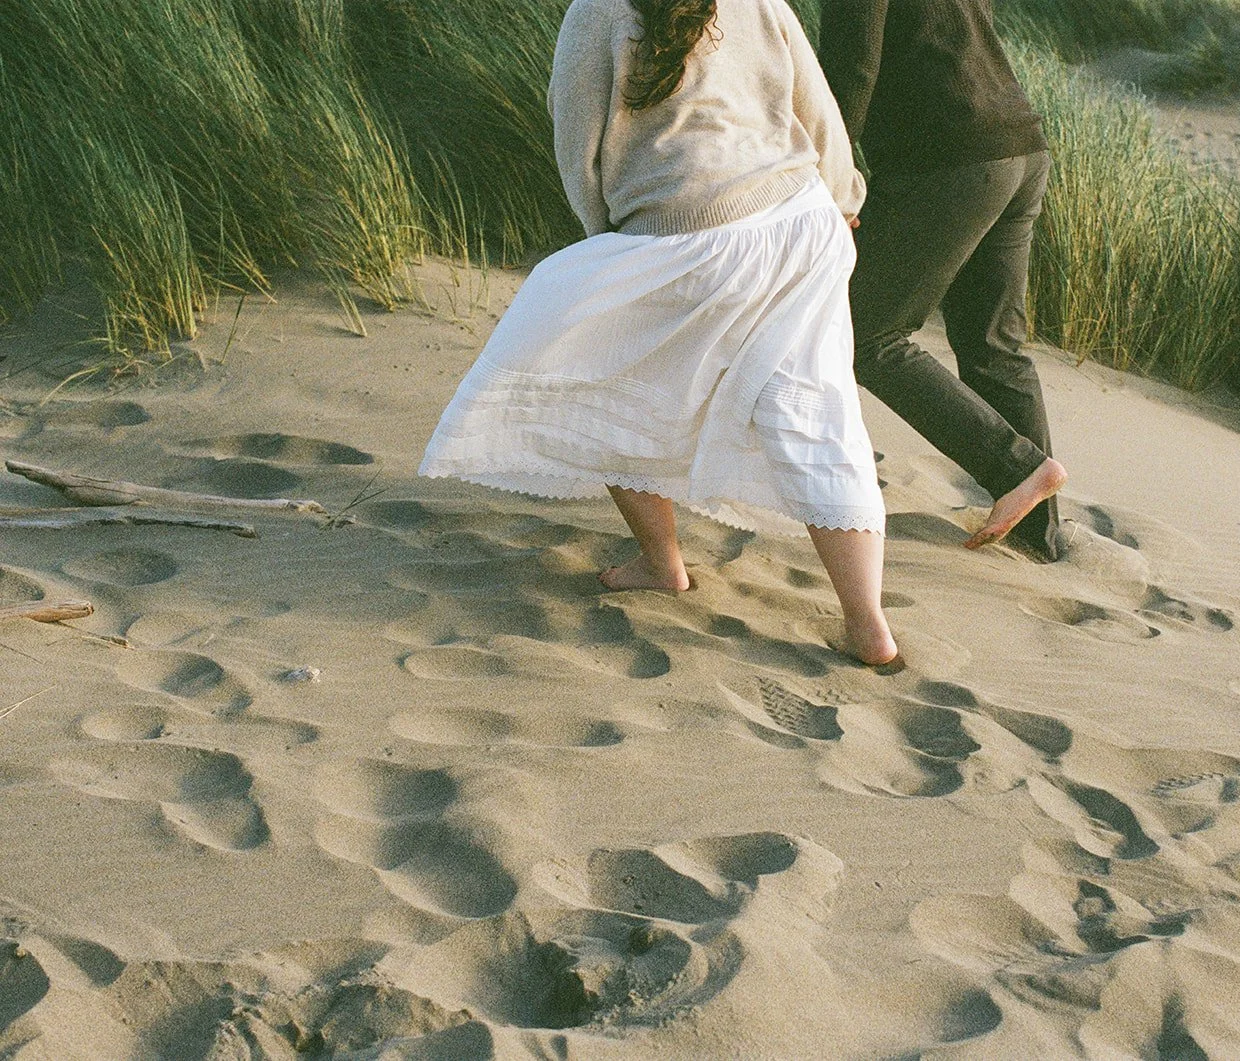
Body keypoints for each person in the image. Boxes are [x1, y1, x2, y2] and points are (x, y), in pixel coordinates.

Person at [419, 0, 900, 669]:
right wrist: (845, 199)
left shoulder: (597, 11)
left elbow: (577, 143)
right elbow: (816, 109)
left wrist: (611, 247)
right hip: (802, 221)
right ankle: (867, 622)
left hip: (692, 231)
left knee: (601, 368)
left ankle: (661, 560)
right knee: (814, 407)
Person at [819, 0, 1068, 561]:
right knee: (994, 347)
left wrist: (827, 180)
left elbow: (852, 69)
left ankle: (1017, 468)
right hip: (1018, 146)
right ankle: (1037, 540)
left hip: (950, 157)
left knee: (865, 333)